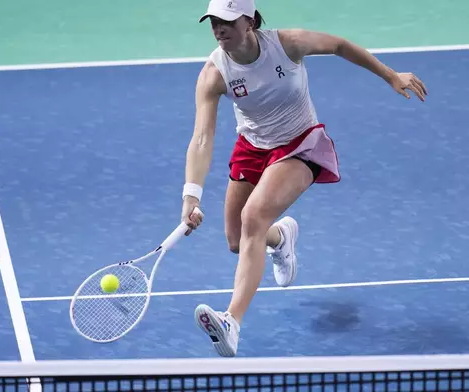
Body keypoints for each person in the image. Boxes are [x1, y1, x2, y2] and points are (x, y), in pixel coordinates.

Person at [180, 0, 428, 357]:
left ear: (249, 21)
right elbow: (202, 138)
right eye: (214, 22)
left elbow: (340, 46)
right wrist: (192, 196)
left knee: (253, 218)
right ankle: (281, 238)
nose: (219, 29)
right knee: (237, 239)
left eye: (227, 21)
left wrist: (391, 76)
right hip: (253, 146)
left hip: (300, 144)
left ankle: (232, 322)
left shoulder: (287, 44)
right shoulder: (214, 73)